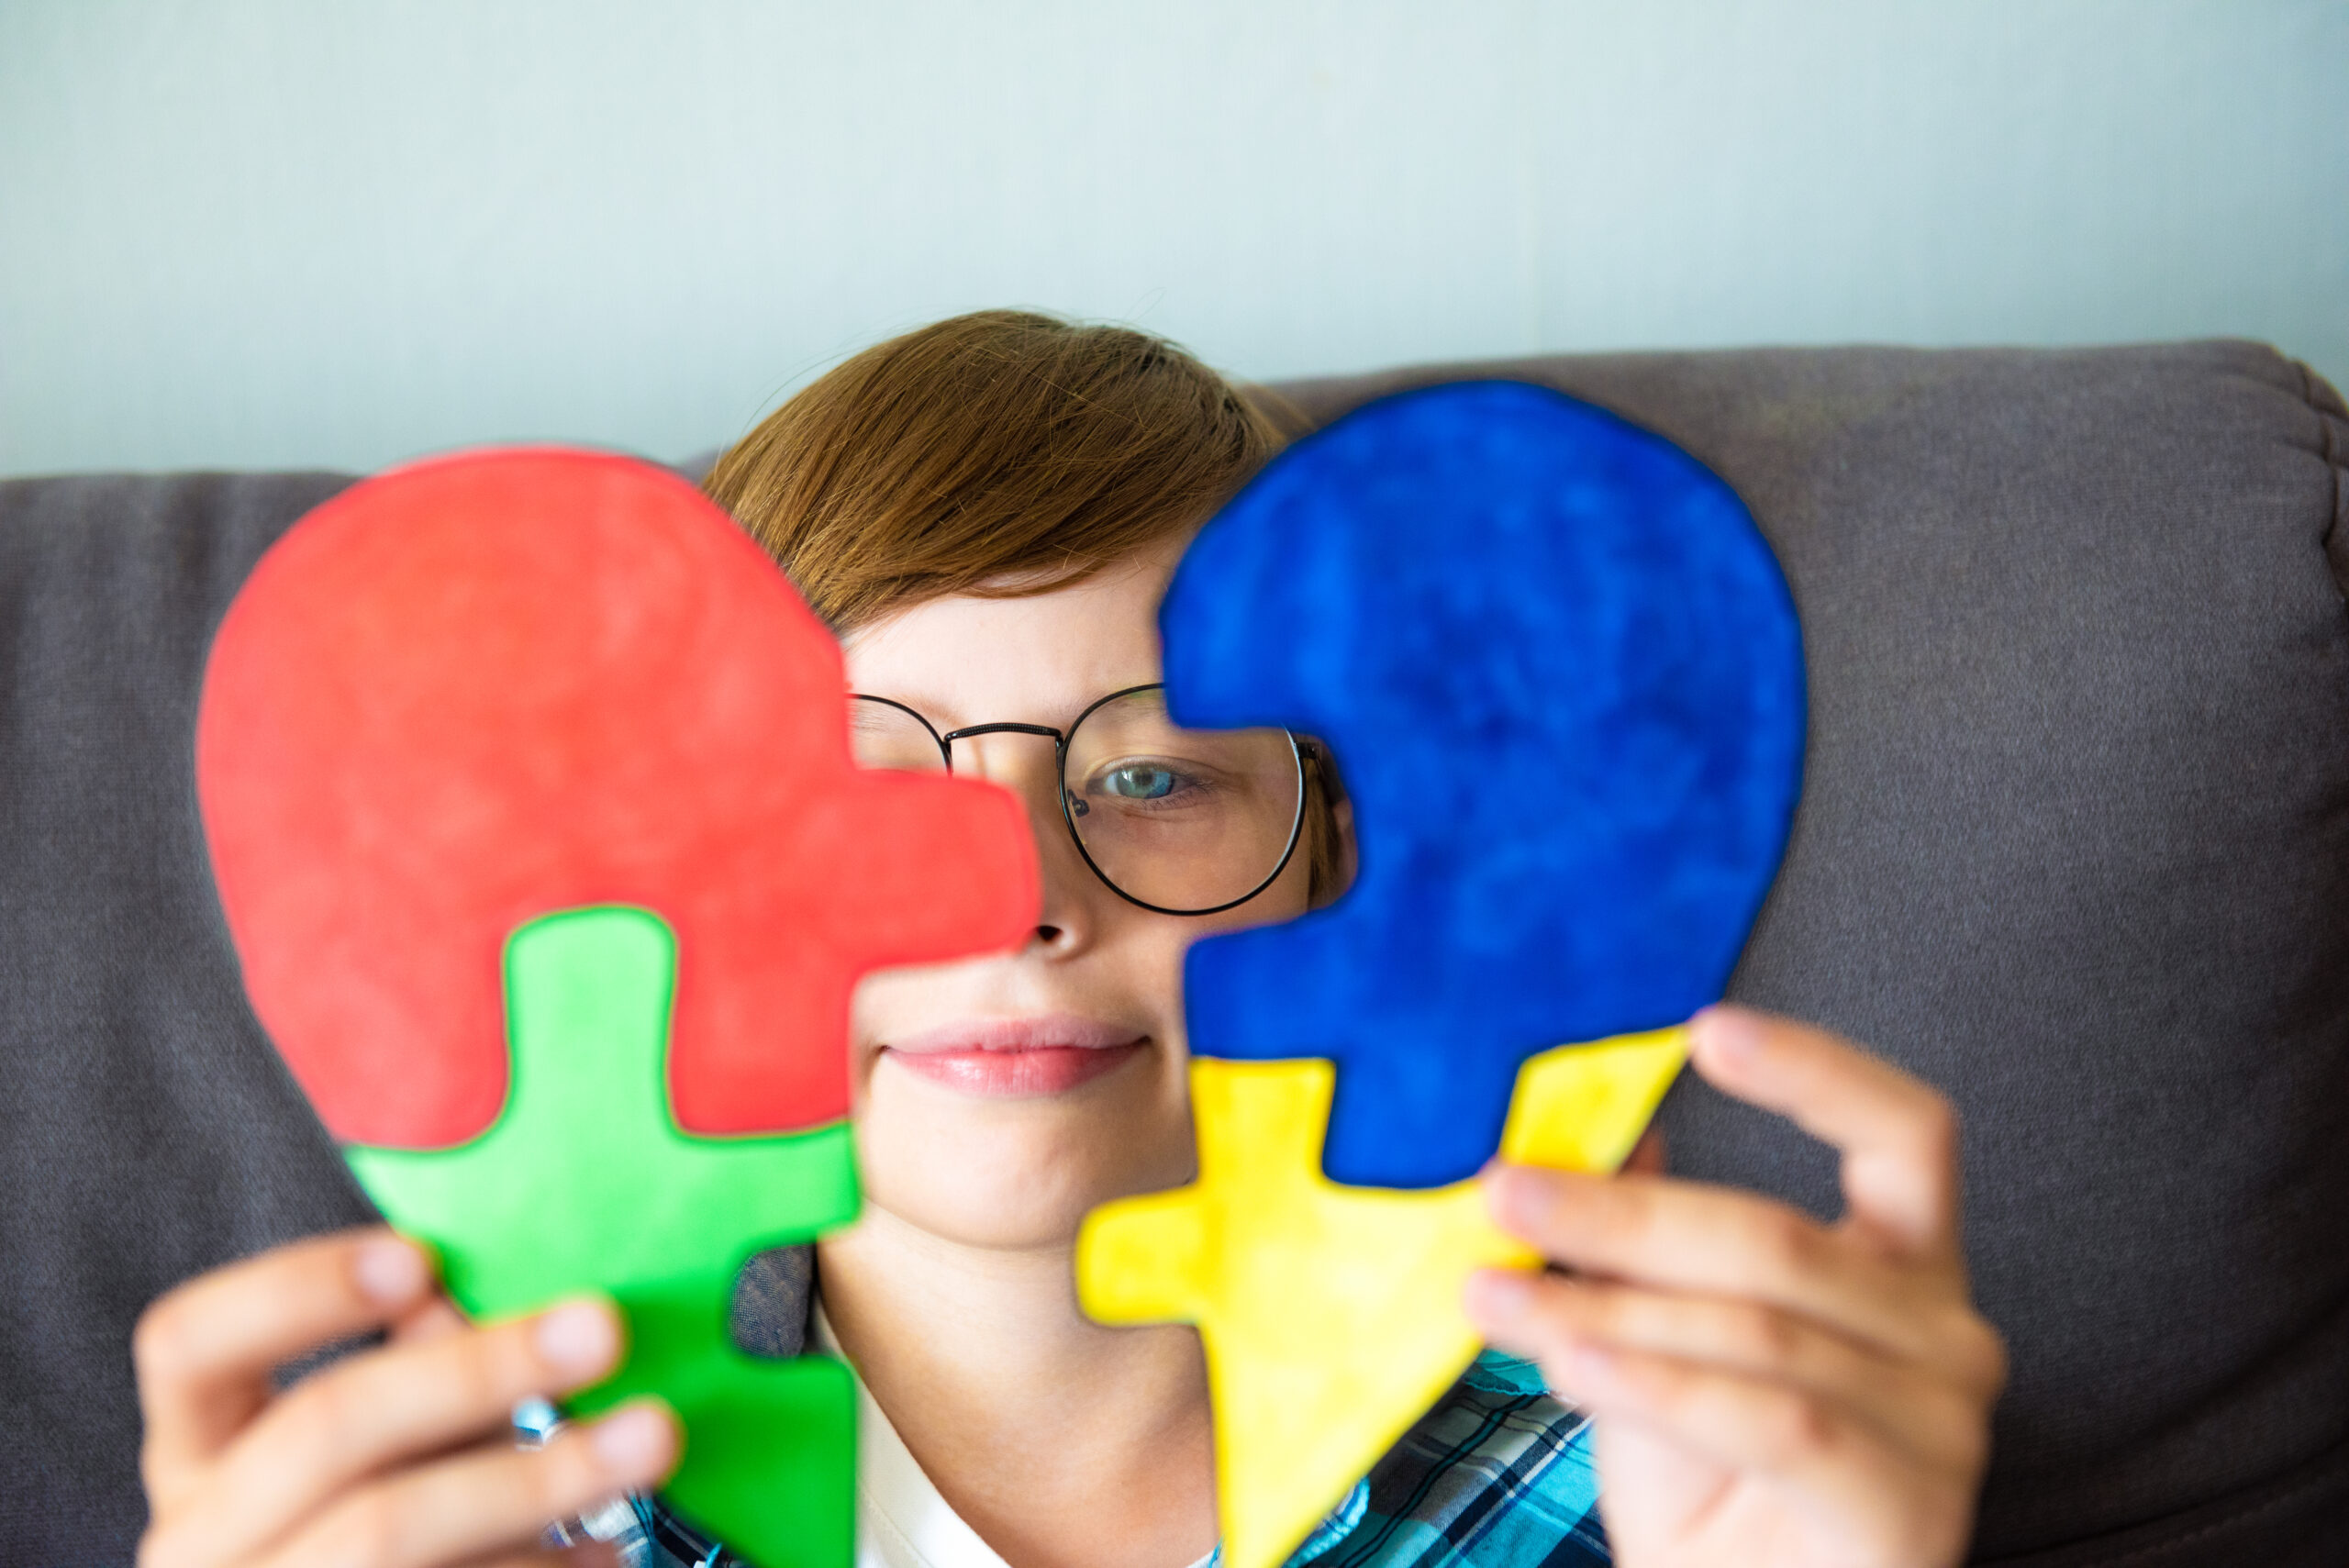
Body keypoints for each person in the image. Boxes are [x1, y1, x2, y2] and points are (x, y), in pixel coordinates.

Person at [132, 312, 2006, 1568]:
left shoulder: (1674, 1476)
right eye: (869, 783)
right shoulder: (453, 1509)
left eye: (1155, 781)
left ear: (1331, 867)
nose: (1012, 893)